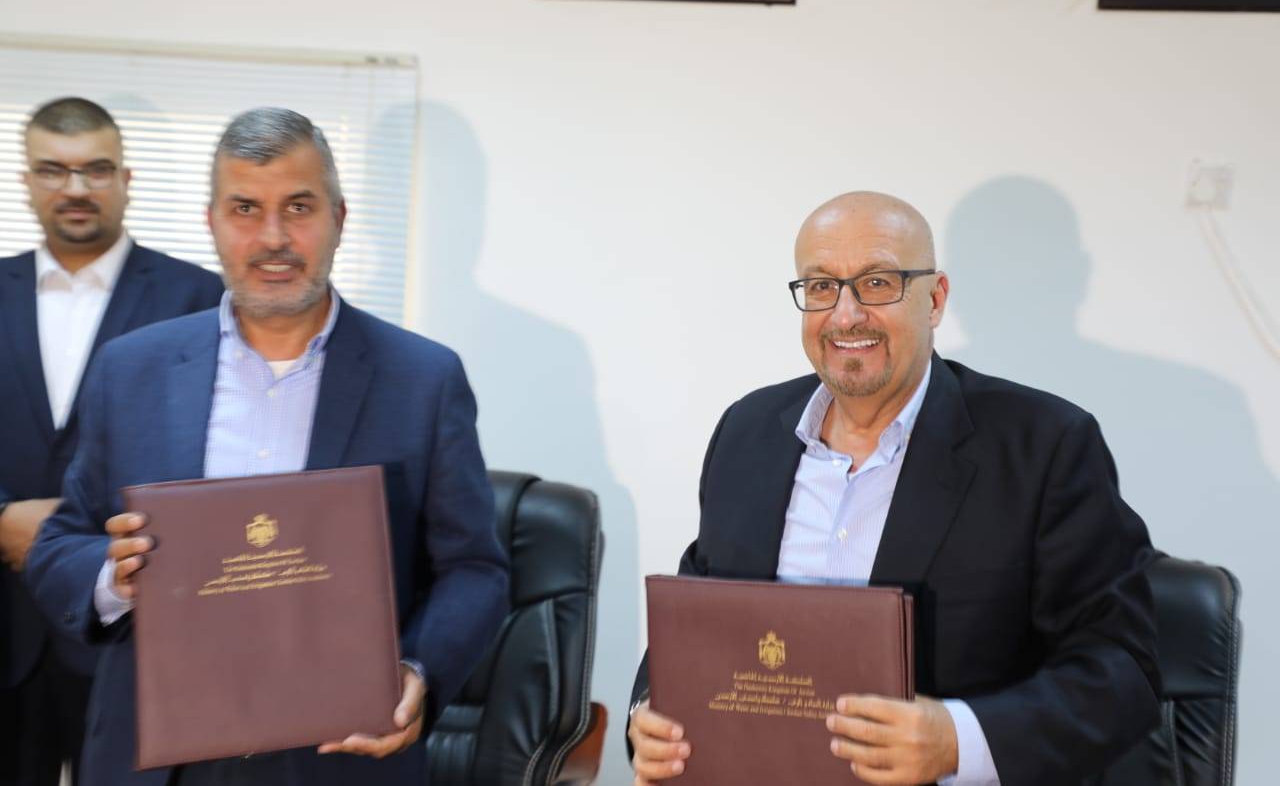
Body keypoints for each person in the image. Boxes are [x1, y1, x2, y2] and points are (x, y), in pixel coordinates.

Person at [25, 107, 510, 786]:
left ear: (339, 218)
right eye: (245, 208)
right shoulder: (131, 369)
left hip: (339, 750)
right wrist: (113, 574)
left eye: (299, 207)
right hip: (154, 754)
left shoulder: (422, 379)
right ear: (212, 222)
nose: (273, 237)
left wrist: (416, 669)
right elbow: (60, 545)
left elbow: (475, 569)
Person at [627, 192, 1160, 786]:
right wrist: (648, 712)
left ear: (934, 299)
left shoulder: (1044, 445)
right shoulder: (747, 431)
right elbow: (696, 615)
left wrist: (956, 740)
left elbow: (1123, 670)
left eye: (877, 283)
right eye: (821, 287)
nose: (846, 316)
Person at [0, 97, 224, 786]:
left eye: (96, 169)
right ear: (27, 180)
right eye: (53, 170)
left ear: (127, 179)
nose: (75, 188)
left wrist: (90, 538)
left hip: (133, 616)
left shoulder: (199, 298)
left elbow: (217, 449)